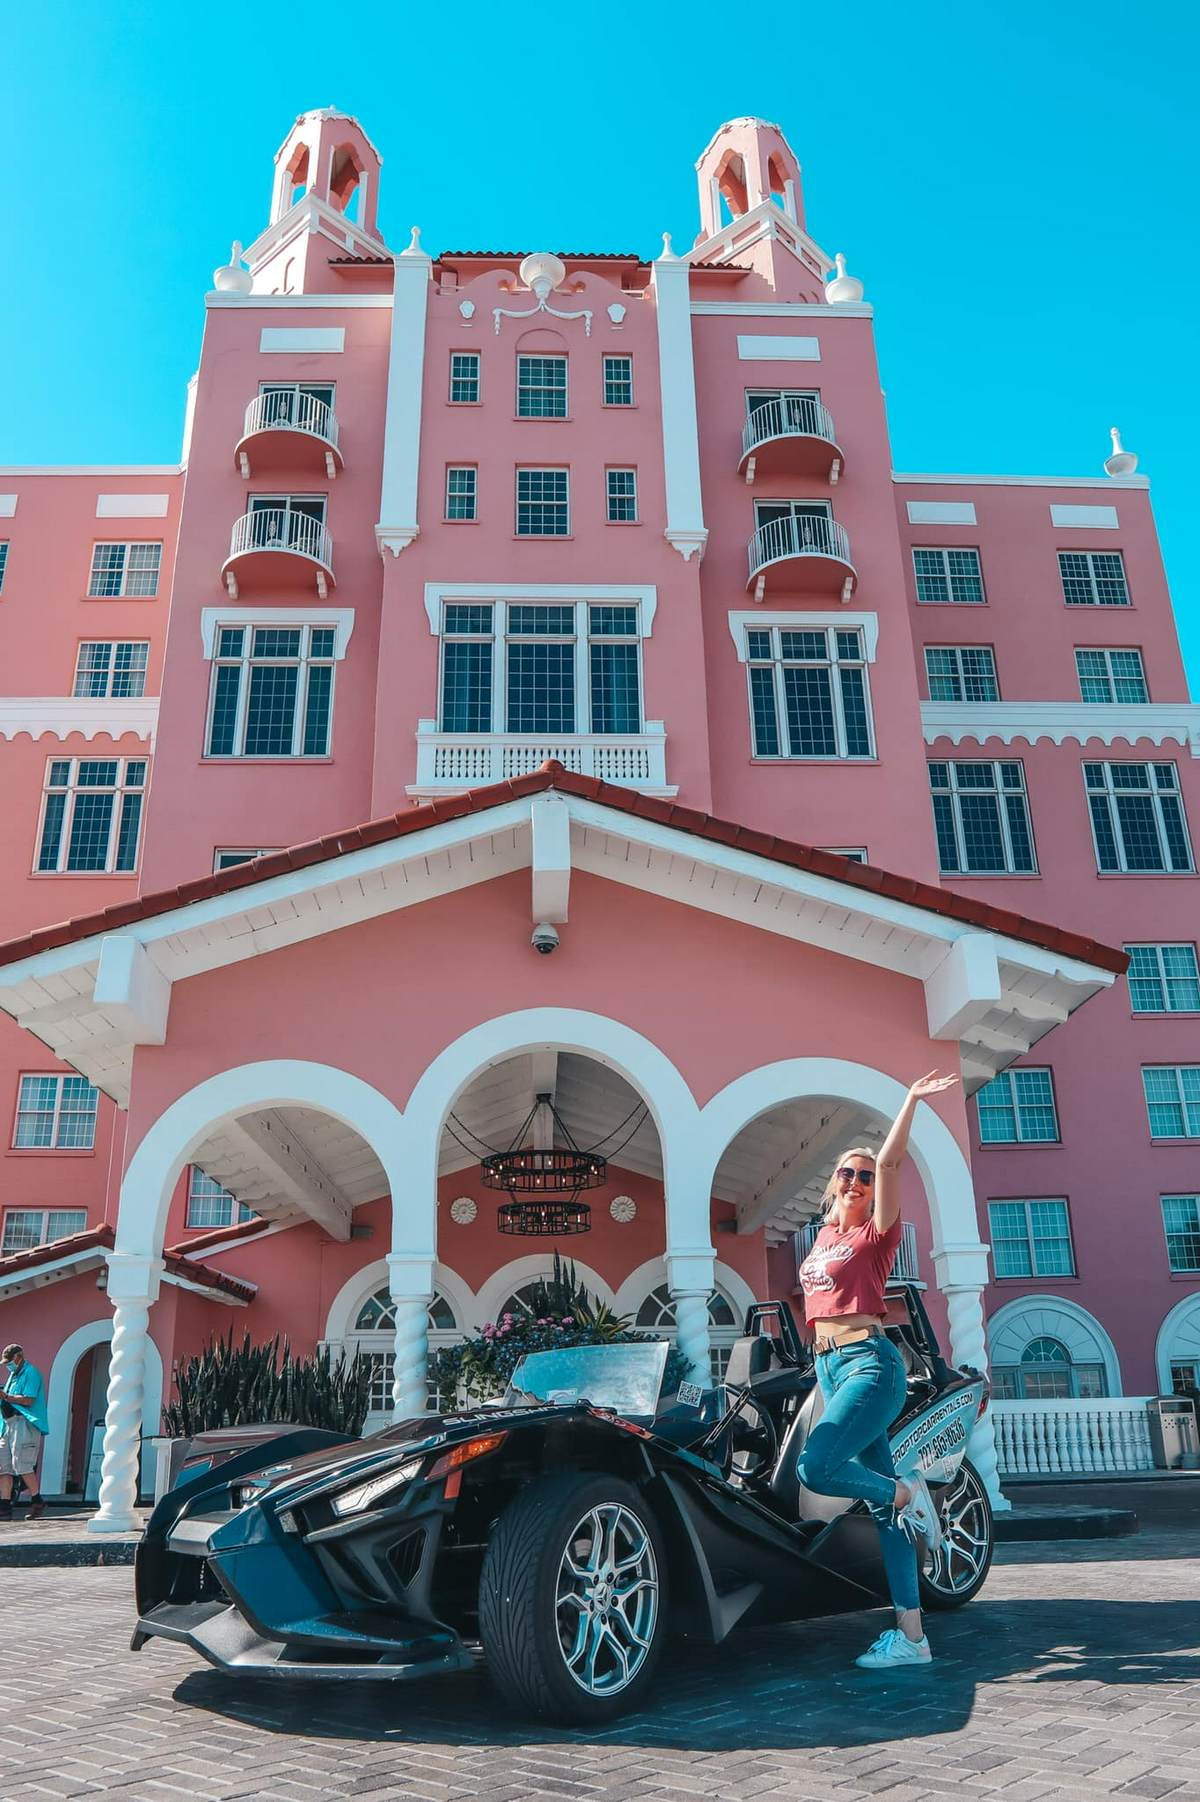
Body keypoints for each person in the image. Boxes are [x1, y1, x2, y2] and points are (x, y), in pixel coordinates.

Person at [795, 1071, 959, 1671]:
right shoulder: (820, 1240)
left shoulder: (874, 1233)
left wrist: (910, 1102)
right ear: (832, 1183)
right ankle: (912, 1638)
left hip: (871, 1361)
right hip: (831, 1368)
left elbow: (891, 1166)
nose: (859, 1179)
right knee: (885, 1512)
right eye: (848, 1172)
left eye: (865, 1174)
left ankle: (909, 1491)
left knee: (817, 1466)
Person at [0, 1344, 49, 1521]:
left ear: (19, 1357)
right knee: (3, 1465)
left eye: (10, 1362)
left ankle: (37, 1500)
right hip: (8, 1425)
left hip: (24, 1424)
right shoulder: (13, 1375)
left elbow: (28, 1400)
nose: (8, 1366)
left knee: (22, 1464)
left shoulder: (31, 1373)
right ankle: (4, 1506)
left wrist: (5, 1397)